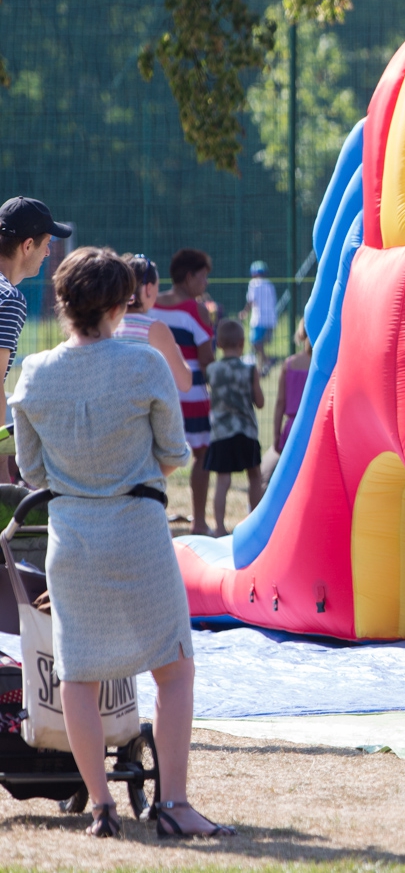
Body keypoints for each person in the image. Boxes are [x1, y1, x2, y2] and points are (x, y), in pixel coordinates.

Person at [10, 247, 233, 838]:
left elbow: (31, 470)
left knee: (77, 675)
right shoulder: (144, 364)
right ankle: (174, 803)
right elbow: (174, 454)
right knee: (174, 669)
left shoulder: (34, 373)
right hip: (138, 529)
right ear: (120, 303)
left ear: (62, 302)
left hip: (72, 535)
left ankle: (101, 806)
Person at [0, 197, 71, 479]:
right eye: (46, 244)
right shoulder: (8, 299)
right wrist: (1, 469)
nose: (48, 252)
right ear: (28, 245)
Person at [151, 250, 216, 534]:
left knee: (155, 457)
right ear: (189, 277)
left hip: (158, 392)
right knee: (201, 455)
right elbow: (206, 358)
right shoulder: (196, 310)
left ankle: (155, 519)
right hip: (192, 396)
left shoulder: (151, 304)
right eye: (203, 276)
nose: (205, 283)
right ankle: (199, 522)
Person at [205, 319, 264, 526]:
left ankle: (219, 527)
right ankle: (255, 524)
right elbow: (260, 402)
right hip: (246, 431)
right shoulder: (250, 370)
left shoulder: (212, 370)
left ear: (219, 343)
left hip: (221, 433)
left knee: (223, 480)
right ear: (242, 342)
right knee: (255, 476)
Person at [114, 254, 192, 393]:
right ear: (149, 288)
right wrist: (177, 352)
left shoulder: (108, 324)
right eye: (157, 286)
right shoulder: (155, 329)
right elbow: (184, 383)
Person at [273, 321, 311, 453]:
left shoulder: (289, 364)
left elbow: (280, 402)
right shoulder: (325, 365)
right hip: (315, 428)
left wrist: (276, 434)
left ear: (300, 335)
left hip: (292, 429)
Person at [242, 260, 277, 368]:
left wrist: (244, 312)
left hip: (259, 319)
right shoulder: (270, 284)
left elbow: (251, 300)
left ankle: (268, 361)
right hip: (271, 319)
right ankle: (262, 366)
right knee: (261, 344)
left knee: (255, 343)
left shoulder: (253, 284)